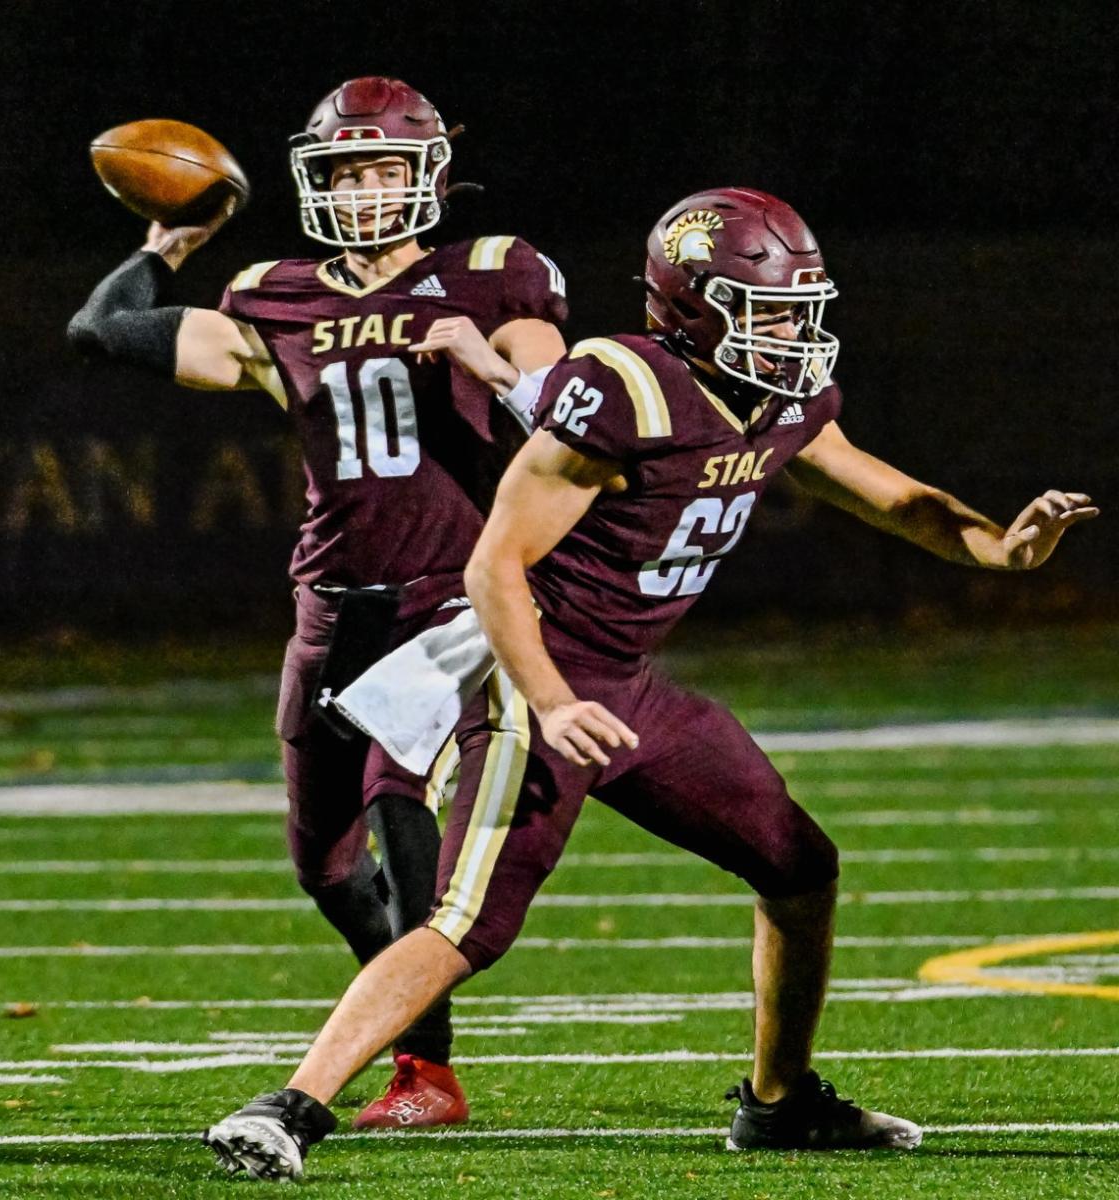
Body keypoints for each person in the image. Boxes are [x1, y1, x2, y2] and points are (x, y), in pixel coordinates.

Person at [201, 186, 1099, 1180]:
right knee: (468, 923)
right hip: (529, 673)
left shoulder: (787, 399)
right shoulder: (625, 386)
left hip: (625, 684)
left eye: (801, 307)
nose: (794, 331)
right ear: (693, 308)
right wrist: (548, 699)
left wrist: (1002, 547)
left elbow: (900, 502)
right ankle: (288, 1105)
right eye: (767, 311)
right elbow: (493, 567)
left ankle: (779, 1101)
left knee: (798, 864)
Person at [67, 76, 568, 1129]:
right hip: (332, 607)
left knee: (400, 806)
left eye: (386, 166)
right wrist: (178, 233)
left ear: (430, 173)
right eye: (346, 170)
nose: (367, 188)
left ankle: (421, 1076)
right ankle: (415, 1051)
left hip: (451, 602)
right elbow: (102, 328)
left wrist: (488, 364)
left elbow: (572, 415)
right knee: (325, 864)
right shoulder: (275, 293)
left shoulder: (490, 277)